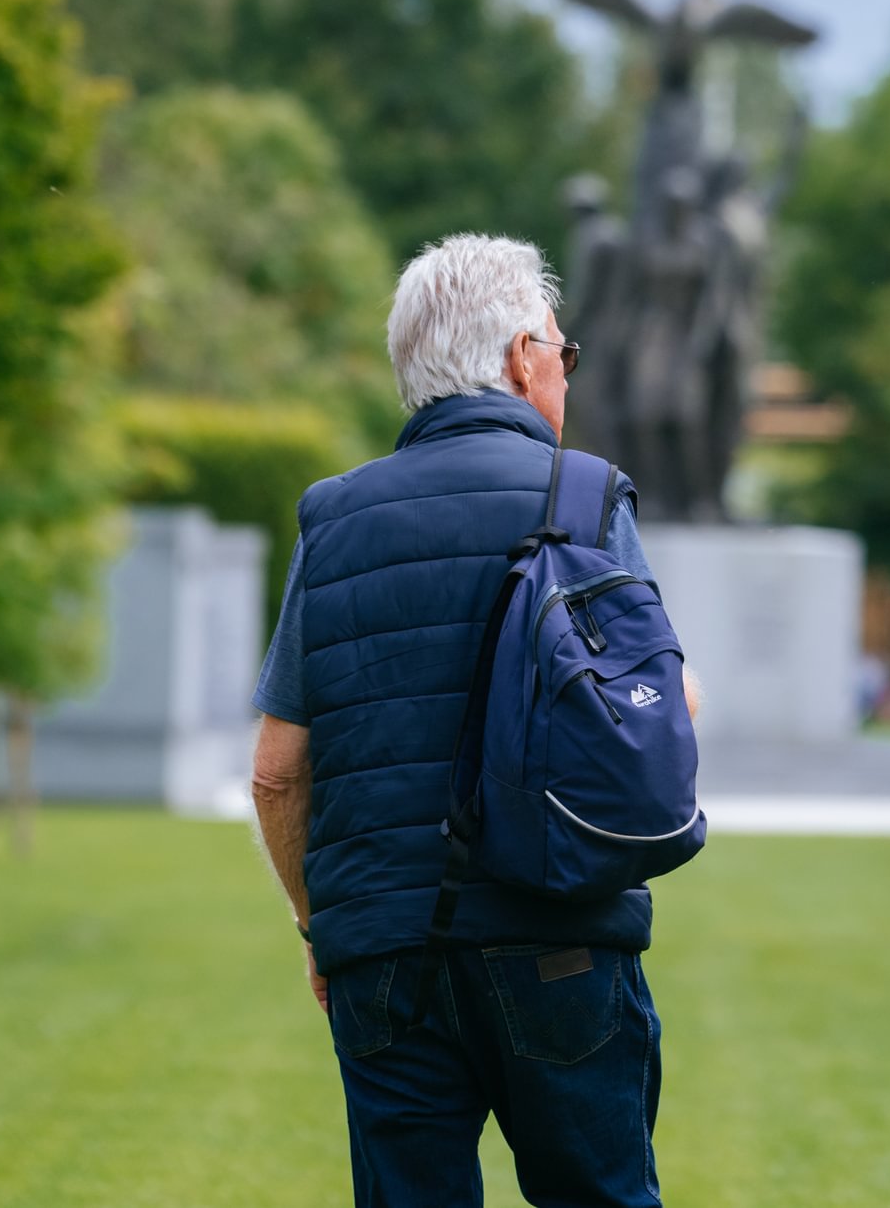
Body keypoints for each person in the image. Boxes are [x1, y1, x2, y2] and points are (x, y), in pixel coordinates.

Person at [249, 234, 674, 1208]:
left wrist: (321, 926)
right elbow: (658, 708)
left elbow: (277, 769)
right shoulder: (584, 496)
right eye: (564, 354)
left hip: (382, 953)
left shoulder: (333, 517)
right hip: (559, 936)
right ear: (523, 354)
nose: (564, 374)